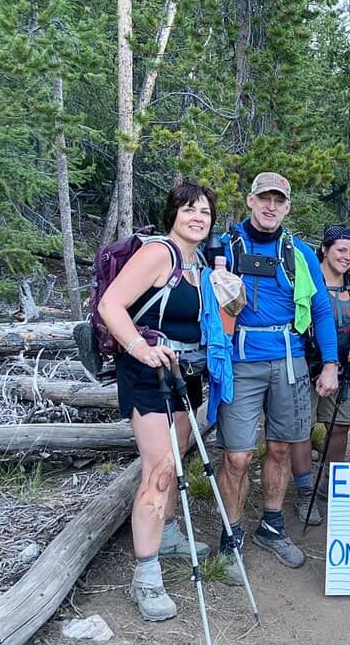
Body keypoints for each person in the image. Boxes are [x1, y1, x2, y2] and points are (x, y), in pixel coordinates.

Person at [97, 181, 219, 621]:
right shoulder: (158, 254)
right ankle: (145, 576)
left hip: (184, 373)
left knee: (178, 458)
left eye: (205, 211)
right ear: (174, 213)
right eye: (189, 209)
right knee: (160, 467)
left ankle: (166, 535)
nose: (198, 217)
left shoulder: (198, 262)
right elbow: (111, 305)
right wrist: (138, 348)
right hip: (148, 374)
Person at [216, 172, 339, 582]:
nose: (270, 207)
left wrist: (331, 364)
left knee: (282, 448)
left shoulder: (299, 253)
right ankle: (230, 534)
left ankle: (272, 525)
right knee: (236, 456)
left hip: (289, 360)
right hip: (240, 360)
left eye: (279, 201)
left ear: (287, 208)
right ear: (250, 201)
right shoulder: (225, 247)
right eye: (263, 198)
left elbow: (320, 310)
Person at [292, 225, 350, 526]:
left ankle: (331, 483)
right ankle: (304, 491)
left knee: (340, 425)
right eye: (341, 250)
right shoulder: (307, 282)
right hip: (308, 367)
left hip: (344, 371)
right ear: (325, 249)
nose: (348, 257)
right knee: (302, 429)